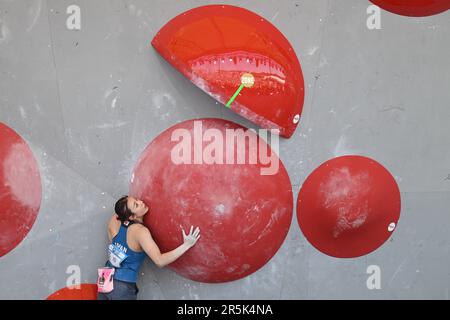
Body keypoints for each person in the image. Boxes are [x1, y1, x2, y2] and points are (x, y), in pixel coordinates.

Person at [97, 195, 201, 300]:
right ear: (132, 217)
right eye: (136, 205)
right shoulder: (140, 232)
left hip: (104, 279)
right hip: (121, 288)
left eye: (136, 199)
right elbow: (160, 261)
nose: (141, 202)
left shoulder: (114, 222)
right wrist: (186, 244)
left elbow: (119, 216)